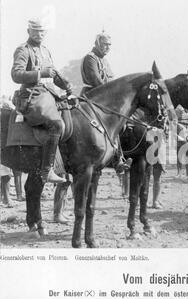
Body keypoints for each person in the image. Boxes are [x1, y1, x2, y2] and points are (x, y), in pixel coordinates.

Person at [11, 18, 75, 184]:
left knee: (72, 116)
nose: (39, 34)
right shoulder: (23, 50)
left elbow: (53, 75)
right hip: (31, 96)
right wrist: (40, 73)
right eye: (36, 31)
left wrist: (67, 86)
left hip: (48, 94)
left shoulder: (46, 51)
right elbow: (16, 74)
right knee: (57, 124)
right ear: (29, 32)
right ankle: (47, 170)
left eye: (42, 31)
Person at [80, 31, 114, 95]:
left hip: (104, 95)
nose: (108, 48)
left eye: (109, 45)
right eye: (105, 44)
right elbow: (97, 82)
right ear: (97, 44)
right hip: (92, 96)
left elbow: (111, 80)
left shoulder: (104, 61)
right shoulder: (90, 58)